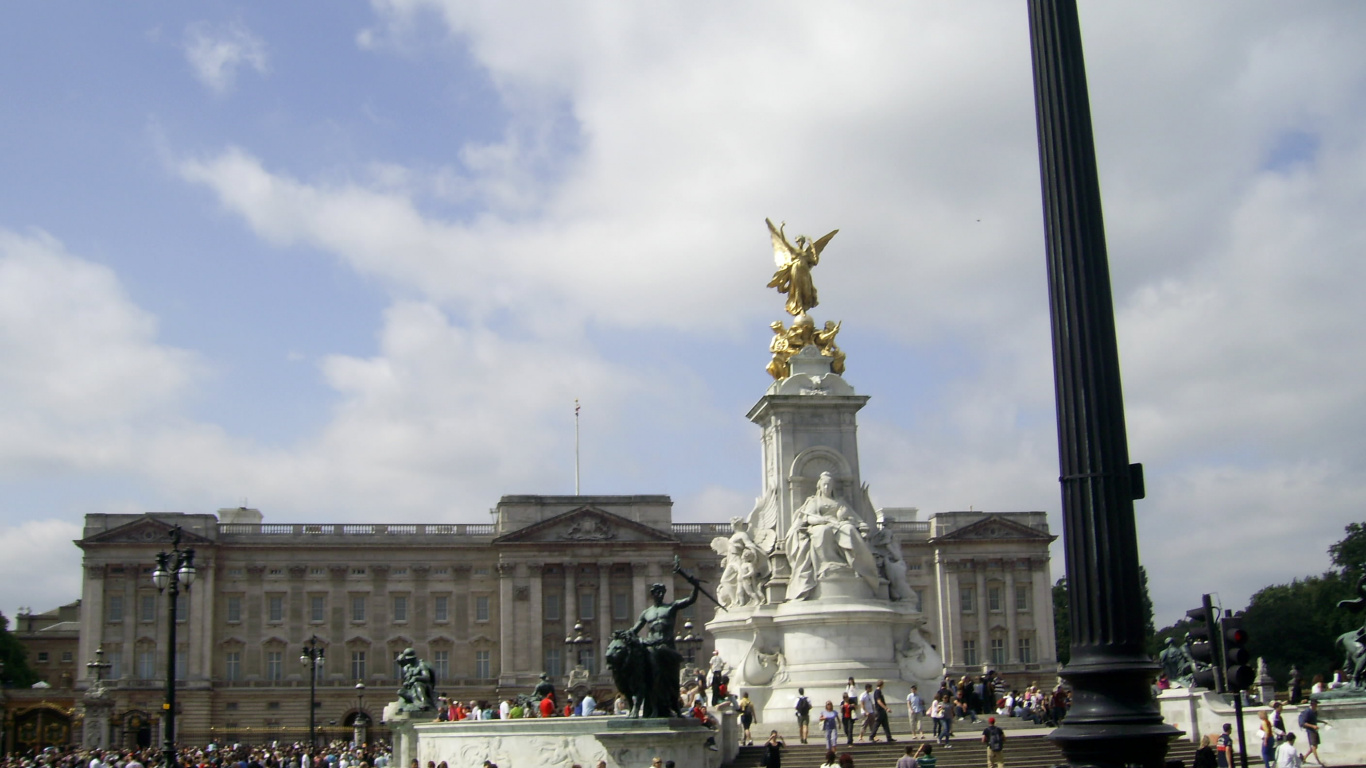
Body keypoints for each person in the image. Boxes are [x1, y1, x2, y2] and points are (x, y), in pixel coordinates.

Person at [1298, 699, 1325, 766]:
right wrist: (1313, 726)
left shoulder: (1314, 712)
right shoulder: (1308, 712)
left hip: (1314, 730)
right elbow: (1304, 723)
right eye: (1315, 704)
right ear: (1312, 704)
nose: (1316, 706)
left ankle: (1304, 757)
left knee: (1315, 746)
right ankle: (1318, 761)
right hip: (1310, 731)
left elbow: (1314, 720)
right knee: (1313, 746)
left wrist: (1322, 722)